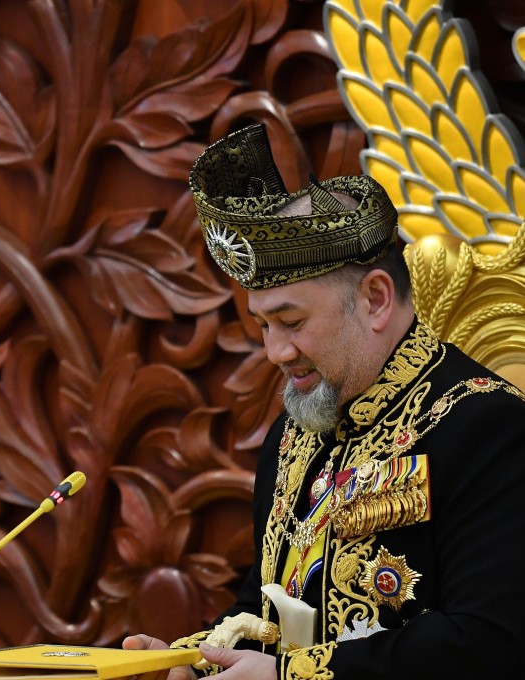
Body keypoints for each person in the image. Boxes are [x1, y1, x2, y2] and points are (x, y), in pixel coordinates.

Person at [124, 124, 525, 678]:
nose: (273, 351)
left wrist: (291, 677)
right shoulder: (293, 434)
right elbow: (267, 610)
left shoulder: (486, 426)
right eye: (262, 324)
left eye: (291, 321)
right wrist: (193, 659)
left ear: (376, 299)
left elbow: (489, 642)